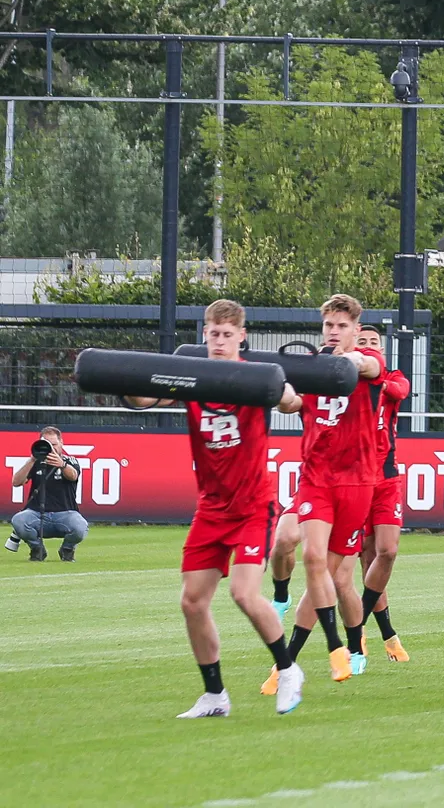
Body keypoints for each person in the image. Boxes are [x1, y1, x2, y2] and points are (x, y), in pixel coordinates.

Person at [127, 299, 306, 717]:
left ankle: (288, 669)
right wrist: (127, 382)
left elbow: (291, 402)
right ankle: (214, 696)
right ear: (204, 335)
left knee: (244, 593)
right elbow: (145, 399)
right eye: (214, 333)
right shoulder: (191, 381)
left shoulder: (252, 380)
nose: (220, 341)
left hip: (252, 506)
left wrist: (283, 394)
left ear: (241, 337)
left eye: (228, 334)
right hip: (211, 508)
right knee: (191, 601)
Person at [263, 294, 386, 693]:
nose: (334, 332)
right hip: (317, 480)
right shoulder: (311, 367)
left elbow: (366, 365)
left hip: (358, 483)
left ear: (356, 330)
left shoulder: (369, 364)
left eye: (342, 326)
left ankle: (347, 645)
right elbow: (292, 403)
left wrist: (348, 361)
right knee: (311, 557)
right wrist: (279, 391)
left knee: (337, 577)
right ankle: (313, 657)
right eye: (328, 326)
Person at [354, 324, 412, 663]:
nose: (368, 346)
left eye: (374, 342)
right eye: (361, 341)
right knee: (366, 555)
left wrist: (377, 379)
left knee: (387, 551)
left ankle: (356, 623)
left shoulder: (392, 378)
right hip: (357, 478)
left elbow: (400, 389)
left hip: (386, 478)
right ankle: (387, 635)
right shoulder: (346, 384)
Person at [7, 427, 84, 562]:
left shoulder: (70, 461)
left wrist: (62, 464)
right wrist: (31, 460)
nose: (52, 449)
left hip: (65, 513)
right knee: (18, 520)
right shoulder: (36, 463)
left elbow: (73, 475)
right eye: (48, 445)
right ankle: (37, 548)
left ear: (61, 443)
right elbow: (16, 482)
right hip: (37, 514)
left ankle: (67, 549)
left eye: (54, 445)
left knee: (80, 527)